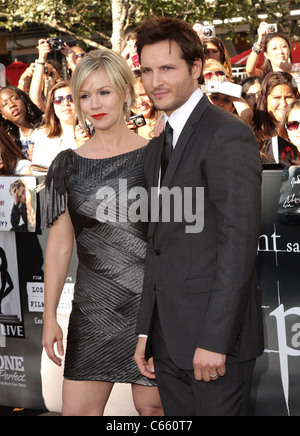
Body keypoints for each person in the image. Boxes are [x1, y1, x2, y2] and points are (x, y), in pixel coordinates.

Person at [133, 16, 264, 417]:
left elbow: (237, 246)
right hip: (166, 341)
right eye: (147, 70)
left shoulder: (226, 134)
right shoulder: (155, 148)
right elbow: (157, 247)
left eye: (168, 68)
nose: (156, 80)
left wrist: (214, 340)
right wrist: (145, 331)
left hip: (214, 346)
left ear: (195, 68)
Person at [42, 48, 163, 417]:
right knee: (76, 411)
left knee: (153, 408)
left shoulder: (157, 157)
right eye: (84, 95)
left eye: (104, 92)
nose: (94, 103)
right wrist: (50, 318)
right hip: (93, 310)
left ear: (127, 91)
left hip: (153, 308)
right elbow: (60, 247)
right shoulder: (66, 165)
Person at [32, 80, 88, 168]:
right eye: (58, 100)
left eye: (71, 98)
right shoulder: (42, 136)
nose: (65, 103)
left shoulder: (90, 135)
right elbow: (36, 170)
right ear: (53, 108)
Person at [253, 72, 298, 155]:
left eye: (288, 97)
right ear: (265, 100)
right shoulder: (255, 135)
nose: (283, 104)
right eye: (276, 98)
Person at [0, 86, 43, 161]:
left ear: (24, 100)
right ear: (3, 115)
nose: (12, 105)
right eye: (5, 104)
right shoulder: (14, 143)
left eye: (15, 99)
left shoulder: (47, 123)